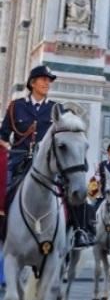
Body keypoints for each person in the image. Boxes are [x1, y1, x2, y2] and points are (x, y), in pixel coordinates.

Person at [0, 65, 59, 237]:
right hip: (19, 161)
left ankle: (79, 229)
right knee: (4, 188)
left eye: (49, 81)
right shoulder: (16, 106)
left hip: (46, 163)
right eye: (44, 79)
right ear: (32, 83)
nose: (47, 83)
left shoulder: (56, 109)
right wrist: (7, 148)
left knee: (72, 191)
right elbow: (3, 136)